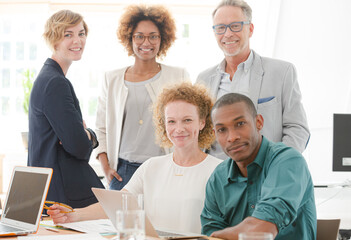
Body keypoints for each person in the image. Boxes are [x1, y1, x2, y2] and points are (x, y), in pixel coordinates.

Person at [48, 82, 222, 233]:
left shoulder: (219, 171)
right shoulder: (151, 167)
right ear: (163, 124)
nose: (179, 128)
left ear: (202, 122)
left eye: (187, 120)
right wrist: (72, 215)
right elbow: (116, 206)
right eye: (171, 121)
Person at [196, 0, 310, 160]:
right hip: (217, 173)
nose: (227, 34)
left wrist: (278, 164)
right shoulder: (204, 79)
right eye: (221, 28)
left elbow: (297, 128)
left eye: (235, 26)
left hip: (264, 170)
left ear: (250, 29)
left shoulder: (282, 72)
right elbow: (199, 132)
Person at [95, 4, 190, 190]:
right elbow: (101, 129)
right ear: (129, 38)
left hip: (164, 168)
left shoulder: (178, 76)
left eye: (153, 36)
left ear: (162, 39)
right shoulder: (112, 79)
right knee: (122, 220)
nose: (146, 43)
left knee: (163, 220)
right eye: (139, 36)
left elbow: (189, 124)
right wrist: (106, 168)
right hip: (123, 172)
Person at [201, 93, 316, 240]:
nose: (232, 137)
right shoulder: (218, 177)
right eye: (222, 130)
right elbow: (210, 234)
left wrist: (220, 236)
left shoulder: (288, 161)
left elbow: (262, 231)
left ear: (259, 122)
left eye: (240, 124)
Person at [27, 10, 104, 208]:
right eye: (67, 35)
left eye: (81, 33)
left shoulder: (49, 78)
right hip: (63, 193)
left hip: (52, 189)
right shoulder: (55, 83)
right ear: (54, 40)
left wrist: (80, 134)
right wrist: (88, 134)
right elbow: (78, 146)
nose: (77, 41)